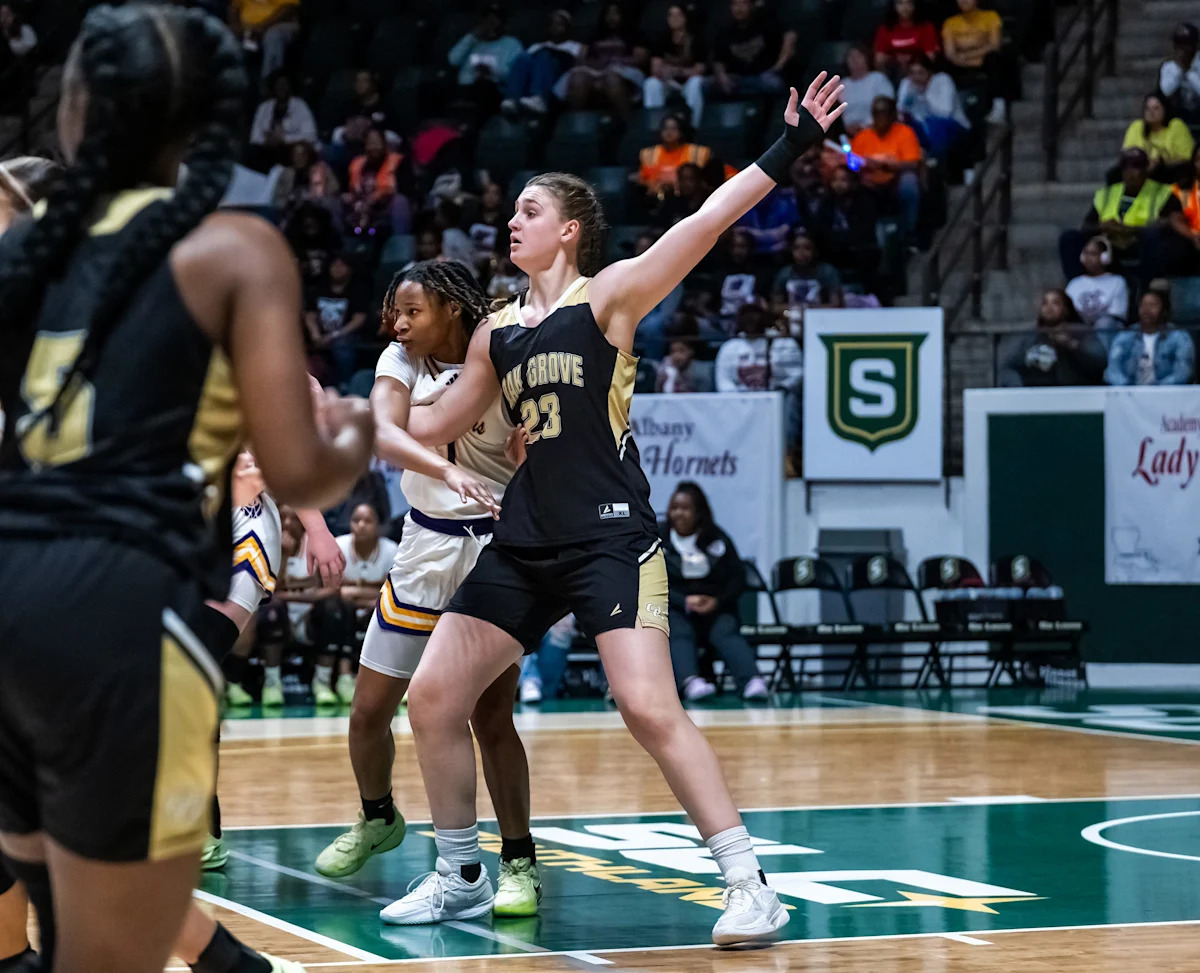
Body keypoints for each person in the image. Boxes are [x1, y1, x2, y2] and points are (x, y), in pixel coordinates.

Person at [391, 72, 845, 941]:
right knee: (434, 696)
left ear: (567, 229)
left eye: (528, 210)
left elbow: (705, 222)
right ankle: (458, 872)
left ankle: (749, 882)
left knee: (646, 705)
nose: (511, 220)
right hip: (525, 538)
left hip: (609, 536)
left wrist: (789, 146)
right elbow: (437, 423)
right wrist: (352, 411)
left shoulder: (611, 294)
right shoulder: (495, 328)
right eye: (511, 211)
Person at [0, 7, 374, 973]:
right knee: (117, 944)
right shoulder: (230, 250)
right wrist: (358, 431)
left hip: (9, 604)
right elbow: (298, 471)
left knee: (36, 912)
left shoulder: (24, 257)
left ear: (73, 113)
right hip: (119, 616)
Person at [317, 261, 541, 921]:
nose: (398, 323)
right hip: (423, 544)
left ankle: (519, 860)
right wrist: (444, 464)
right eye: (395, 312)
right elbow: (385, 432)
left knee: (490, 717)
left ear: (450, 306)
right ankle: (378, 814)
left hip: (491, 547)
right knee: (366, 711)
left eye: (412, 311)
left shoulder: (499, 348)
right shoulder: (399, 355)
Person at [662, 482, 768, 702]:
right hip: (676, 607)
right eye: (674, 508)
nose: (679, 514)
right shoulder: (659, 538)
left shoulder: (717, 538)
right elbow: (651, 581)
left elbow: (737, 578)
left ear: (698, 512)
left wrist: (717, 601)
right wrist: (684, 600)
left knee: (725, 631)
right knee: (678, 630)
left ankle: (751, 680)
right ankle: (691, 682)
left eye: (685, 508)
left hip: (715, 607)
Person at [1058, 147, 1181, 280]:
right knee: (1069, 237)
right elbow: (1086, 226)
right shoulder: (1108, 193)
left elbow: (1169, 226)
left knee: (1154, 238)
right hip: (1110, 242)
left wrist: (1133, 230)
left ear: (1146, 170)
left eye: (1136, 167)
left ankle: (1148, 290)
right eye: (1126, 167)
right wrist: (1102, 227)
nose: (1131, 172)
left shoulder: (1162, 192)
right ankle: (1077, 286)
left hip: (1140, 243)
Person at [998, 289, 1107, 387]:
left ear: (1066, 309)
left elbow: (1100, 363)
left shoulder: (1081, 332)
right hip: (1036, 394)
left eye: (1056, 303)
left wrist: (1072, 345)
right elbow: (1009, 367)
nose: (1049, 307)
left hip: (1076, 393)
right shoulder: (1030, 334)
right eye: (1045, 303)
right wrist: (1019, 389)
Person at [851, 95, 922, 243]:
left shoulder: (905, 132)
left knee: (909, 183)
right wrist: (862, 170)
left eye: (884, 113)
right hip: (869, 179)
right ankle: (866, 239)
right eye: (877, 113)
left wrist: (887, 165)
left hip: (895, 178)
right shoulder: (863, 135)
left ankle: (910, 232)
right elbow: (852, 162)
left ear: (892, 115)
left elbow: (913, 163)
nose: (880, 118)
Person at [564, 1, 648, 123]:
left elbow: (641, 59)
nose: (611, 17)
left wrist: (614, 63)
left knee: (611, 78)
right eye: (608, 14)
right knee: (578, 78)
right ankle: (576, 125)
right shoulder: (595, 35)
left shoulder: (634, 34)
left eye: (615, 14)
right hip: (596, 71)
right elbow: (582, 58)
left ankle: (628, 123)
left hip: (625, 71)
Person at [1105, 286, 1195, 385]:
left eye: (1152, 305)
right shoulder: (1125, 336)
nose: (1146, 310)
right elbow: (1112, 371)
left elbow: (1182, 374)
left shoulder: (1179, 337)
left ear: (1164, 311)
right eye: (1143, 305)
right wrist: (1128, 388)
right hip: (1129, 394)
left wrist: (1156, 390)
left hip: (1166, 394)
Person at [305, 253, 370, 388]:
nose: (337, 269)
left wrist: (335, 335)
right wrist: (315, 334)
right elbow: (309, 315)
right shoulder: (319, 288)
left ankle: (343, 384)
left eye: (342, 265)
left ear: (350, 269)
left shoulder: (357, 290)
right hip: (319, 335)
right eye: (334, 265)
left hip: (346, 335)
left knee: (342, 346)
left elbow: (359, 319)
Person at [500, 8, 582, 116]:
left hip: (557, 83)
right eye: (553, 24)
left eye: (560, 24)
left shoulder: (575, 47)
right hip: (533, 78)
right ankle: (512, 99)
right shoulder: (537, 46)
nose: (556, 27)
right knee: (523, 58)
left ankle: (539, 98)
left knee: (545, 55)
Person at [708, 0, 795, 101]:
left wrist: (778, 67)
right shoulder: (725, 32)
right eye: (735, 4)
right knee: (704, 84)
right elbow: (718, 60)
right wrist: (722, 77)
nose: (739, 8)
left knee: (774, 83)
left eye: (743, 3)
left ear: (752, 5)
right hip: (737, 78)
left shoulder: (766, 25)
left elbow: (789, 38)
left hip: (764, 76)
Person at [449, 4, 525, 119]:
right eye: (487, 19)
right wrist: (472, 37)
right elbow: (452, 60)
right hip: (465, 88)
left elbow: (516, 75)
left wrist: (492, 71)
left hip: (493, 90)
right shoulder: (472, 42)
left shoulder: (512, 44)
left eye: (495, 19)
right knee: (430, 89)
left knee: (483, 87)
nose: (490, 24)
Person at [940, 0, 1011, 122]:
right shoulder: (950, 22)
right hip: (960, 63)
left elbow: (994, 45)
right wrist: (961, 61)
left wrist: (968, 57)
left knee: (995, 58)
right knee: (943, 64)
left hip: (984, 60)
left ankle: (998, 107)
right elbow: (950, 53)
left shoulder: (990, 16)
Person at [896, 54, 970, 166]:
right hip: (922, 128)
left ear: (929, 71)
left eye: (921, 73)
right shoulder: (906, 83)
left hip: (953, 127)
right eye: (912, 73)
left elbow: (946, 113)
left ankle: (935, 165)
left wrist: (924, 95)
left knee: (936, 123)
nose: (916, 77)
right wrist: (909, 97)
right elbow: (900, 110)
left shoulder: (943, 80)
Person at [642, 3, 707, 127]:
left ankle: (693, 127)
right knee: (651, 84)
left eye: (678, 15)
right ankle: (656, 128)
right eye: (671, 15)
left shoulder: (697, 39)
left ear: (685, 18)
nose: (674, 19)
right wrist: (668, 73)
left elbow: (699, 70)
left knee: (696, 82)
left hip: (688, 82)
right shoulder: (662, 39)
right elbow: (655, 69)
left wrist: (676, 71)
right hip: (668, 83)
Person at [346, 128, 413, 238]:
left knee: (400, 202)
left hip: (386, 205)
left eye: (377, 143)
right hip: (360, 206)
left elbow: (406, 190)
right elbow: (351, 188)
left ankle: (401, 243)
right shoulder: (356, 163)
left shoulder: (398, 161)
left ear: (385, 144)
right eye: (370, 143)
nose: (374, 147)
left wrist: (380, 197)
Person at [771, 230, 842, 333]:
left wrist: (810, 309)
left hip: (824, 323)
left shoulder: (827, 272)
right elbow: (775, 307)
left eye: (807, 248)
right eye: (797, 248)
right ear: (791, 251)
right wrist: (797, 309)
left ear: (815, 251)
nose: (801, 253)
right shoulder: (784, 274)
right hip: (791, 323)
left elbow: (836, 305)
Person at [248, 71, 317, 170]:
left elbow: (311, 136)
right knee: (252, 152)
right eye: (278, 84)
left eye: (284, 84)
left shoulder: (301, 106)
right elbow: (254, 137)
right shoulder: (264, 107)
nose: (281, 88)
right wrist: (269, 140)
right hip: (267, 149)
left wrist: (284, 139)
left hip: (289, 150)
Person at [1122, 93, 1195, 184]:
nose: (1151, 112)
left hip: (1168, 169)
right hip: (1141, 169)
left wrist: (1160, 162)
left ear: (1165, 110)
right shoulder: (1137, 126)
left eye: (1156, 108)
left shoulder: (1176, 126)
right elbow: (1128, 153)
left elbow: (1186, 158)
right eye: (1147, 109)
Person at [637, 113, 712, 199]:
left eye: (673, 129)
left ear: (681, 132)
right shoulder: (648, 154)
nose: (669, 132)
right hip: (657, 198)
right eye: (665, 128)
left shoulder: (698, 153)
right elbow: (642, 180)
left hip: (688, 200)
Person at [1064, 236, 1128, 329]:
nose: (1088, 258)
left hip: (1107, 329)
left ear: (1104, 257)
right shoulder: (1074, 283)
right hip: (1081, 331)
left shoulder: (1117, 282)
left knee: (1104, 323)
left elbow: (1117, 314)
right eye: (1086, 253)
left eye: (1093, 254)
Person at [229, 0, 299, 79]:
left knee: (273, 36)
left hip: (277, 24)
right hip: (247, 27)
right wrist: (235, 24)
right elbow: (235, 5)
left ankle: (269, 84)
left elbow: (289, 8)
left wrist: (262, 26)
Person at [873, 0, 940, 78]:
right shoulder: (885, 29)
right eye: (900, 3)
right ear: (894, 6)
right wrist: (896, 59)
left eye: (909, 2)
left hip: (920, 70)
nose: (905, 7)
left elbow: (930, 57)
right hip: (894, 70)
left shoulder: (926, 27)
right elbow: (879, 60)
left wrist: (911, 59)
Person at [840, 45, 895, 135]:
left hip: (877, 131)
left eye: (858, 56)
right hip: (849, 134)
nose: (855, 60)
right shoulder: (843, 84)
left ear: (867, 58)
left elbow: (887, 106)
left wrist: (865, 125)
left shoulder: (878, 78)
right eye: (851, 57)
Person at [1166, 145, 1200, 273]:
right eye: (1198, 160)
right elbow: (1175, 218)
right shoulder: (1183, 189)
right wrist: (1194, 237)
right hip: (1190, 237)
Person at [1159, 23, 1200, 123]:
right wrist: (1180, 69)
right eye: (1179, 45)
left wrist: (1189, 72)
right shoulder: (1168, 67)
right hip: (1177, 118)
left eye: (1187, 44)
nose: (1183, 49)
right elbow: (1166, 91)